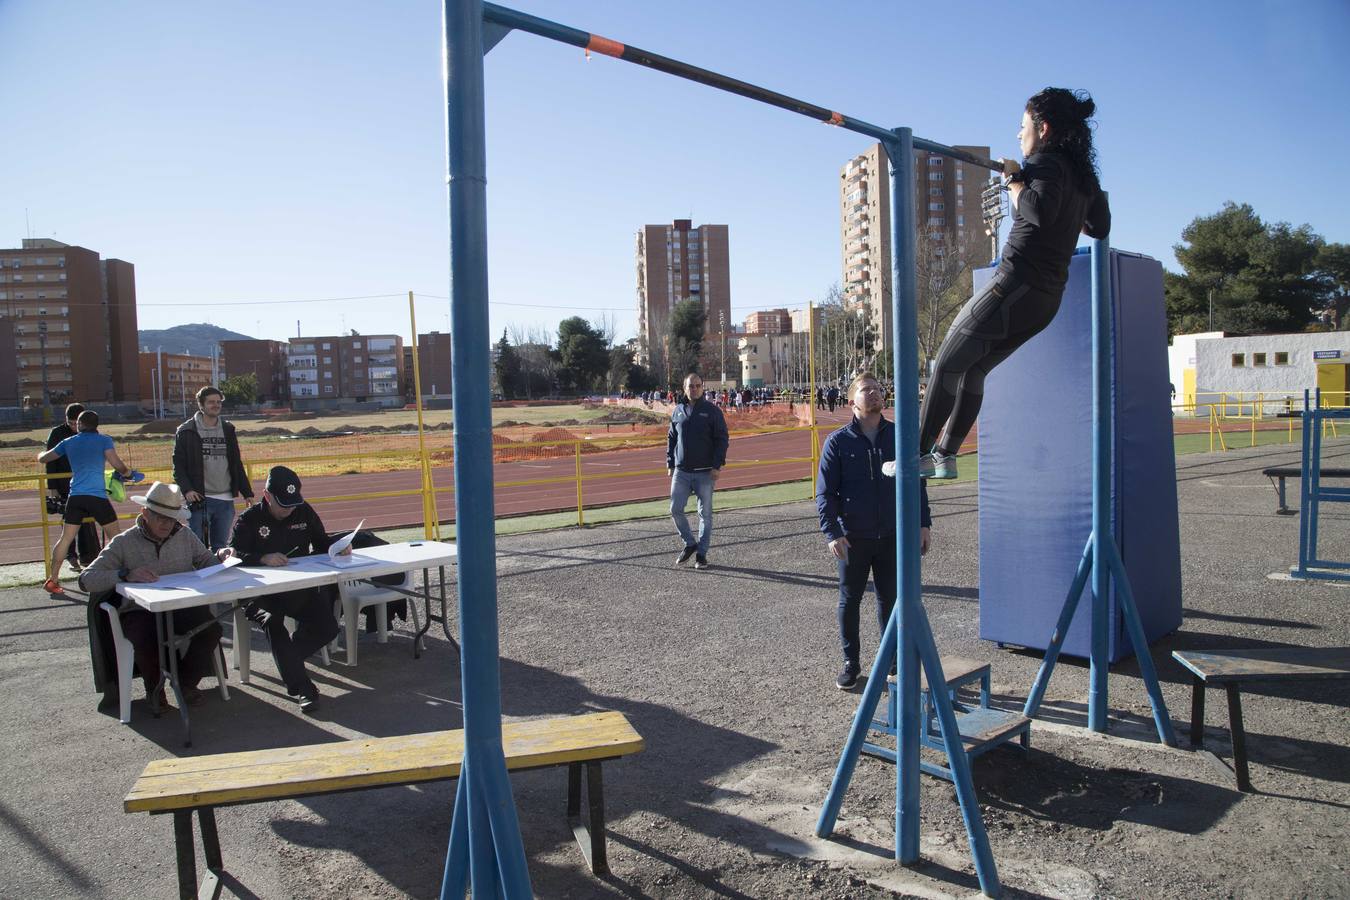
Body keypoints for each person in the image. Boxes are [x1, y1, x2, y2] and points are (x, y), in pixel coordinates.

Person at [917, 88, 1110, 479]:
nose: (1019, 136)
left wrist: (1013, 179)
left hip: (1015, 285)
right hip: (1045, 301)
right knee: (973, 372)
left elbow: (1037, 211)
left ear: (1043, 128)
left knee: (946, 365)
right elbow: (1100, 227)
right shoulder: (1081, 175)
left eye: (1022, 128)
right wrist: (1078, 206)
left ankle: (914, 454)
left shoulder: (1044, 164)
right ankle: (944, 455)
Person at [817, 374, 933, 690]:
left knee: (890, 601)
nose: (874, 393)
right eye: (866, 390)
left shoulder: (899, 436)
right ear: (851, 400)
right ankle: (851, 663)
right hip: (853, 537)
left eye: (877, 389)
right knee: (849, 600)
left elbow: (917, 482)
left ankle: (892, 662)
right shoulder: (837, 442)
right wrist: (832, 532)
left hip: (892, 535)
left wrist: (923, 522)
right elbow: (825, 494)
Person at [80, 481, 227, 712]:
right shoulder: (124, 542)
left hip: (181, 605)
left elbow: (207, 561)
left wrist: (222, 556)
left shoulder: (185, 535)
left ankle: (186, 683)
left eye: (171, 518)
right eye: (160, 517)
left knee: (212, 629)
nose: (166, 524)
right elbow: (87, 578)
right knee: (146, 637)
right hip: (139, 611)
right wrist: (124, 574)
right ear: (145, 513)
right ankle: (155, 690)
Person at [227, 465, 344, 714]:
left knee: (329, 627)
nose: (289, 509)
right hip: (260, 594)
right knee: (273, 622)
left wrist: (339, 546)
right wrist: (262, 558)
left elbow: (322, 543)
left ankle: (288, 659)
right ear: (267, 496)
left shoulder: (303, 511)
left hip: (297, 588)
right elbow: (233, 555)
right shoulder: (249, 520)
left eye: (292, 503)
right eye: (283, 504)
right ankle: (303, 689)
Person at [36, 409, 142, 594]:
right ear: (96, 425)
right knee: (116, 538)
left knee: (65, 538)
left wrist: (39, 454)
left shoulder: (69, 441)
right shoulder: (104, 440)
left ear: (80, 425)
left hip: (75, 496)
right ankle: (120, 572)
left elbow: (45, 458)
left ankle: (52, 579)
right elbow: (117, 464)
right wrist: (129, 474)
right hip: (97, 496)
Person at [173, 385, 254, 552]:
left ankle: (218, 577)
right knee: (198, 549)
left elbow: (235, 463)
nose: (216, 405)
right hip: (200, 500)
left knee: (220, 548)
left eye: (218, 402)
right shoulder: (186, 430)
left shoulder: (228, 429)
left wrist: (247, 492)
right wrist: (187, 490)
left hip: (225, 500)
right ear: (201, 405)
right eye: (211, 402)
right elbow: (178, 466)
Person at [667, 373, 729, 570]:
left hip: (705, 472)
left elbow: (722, 439)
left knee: (705, 514)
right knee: (675, 509)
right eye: (690, 386)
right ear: (684, 388)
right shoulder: (677, 411)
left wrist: (717, 465)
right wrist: (670, 462)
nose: (694, 389)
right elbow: (671, 438)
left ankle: (701, 554)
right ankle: (689, 543)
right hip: (681, 471)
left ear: (702, 388)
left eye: (697, 386)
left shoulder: (712, 411)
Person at [44, 402, 99, 571]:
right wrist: (52, 486)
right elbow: (49, 461)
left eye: (78, 423)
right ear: (66, 420)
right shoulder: (57, 433)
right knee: (69, 524)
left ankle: (88, 556)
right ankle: (70, 556)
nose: (75, 426)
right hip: (64, 485)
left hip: (85, 485)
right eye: (71, 423)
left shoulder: (92, 434)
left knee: (87, 522)